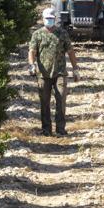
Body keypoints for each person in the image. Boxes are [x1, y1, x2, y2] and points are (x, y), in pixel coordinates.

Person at [28, 8, 80, 136]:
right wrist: (31, 65)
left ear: (55, 19)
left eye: (51, 19)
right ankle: (46, 129)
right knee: (44, 102)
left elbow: (70, 51)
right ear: (43, 19)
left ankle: (60, 129)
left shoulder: (62, 34)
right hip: (43, 74)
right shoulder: (37, 34)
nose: (49, 21)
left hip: (60, 73)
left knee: (61, 99)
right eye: (47, 19)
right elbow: (32, 51)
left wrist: (75, 69)